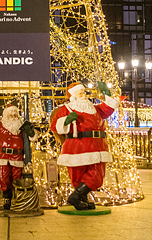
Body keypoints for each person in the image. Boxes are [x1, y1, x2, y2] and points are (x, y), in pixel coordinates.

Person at [50, 81, 119, 210]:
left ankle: (75, 197)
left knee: (96, 174)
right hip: (78, 146)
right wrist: (67, 120)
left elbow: (109, 108)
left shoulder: (94, 108)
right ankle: (81, 199)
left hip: (97, 146)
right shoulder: (66, 109)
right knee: (78, 176)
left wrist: (107, 94)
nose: (84, 95)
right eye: (80, 92)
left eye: (84, 92)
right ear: (73, 95)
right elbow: (55, 126)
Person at [0, 102, 35, 210]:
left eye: (15, 114)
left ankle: (16, 198)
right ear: (6, 115)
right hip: (1, 156)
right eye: (11, 114)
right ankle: (7, 198)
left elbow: (32, 137)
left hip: (17, 157)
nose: (13, 116)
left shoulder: (22, 127)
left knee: (17, 178)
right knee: (3, 177)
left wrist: (31, 133)